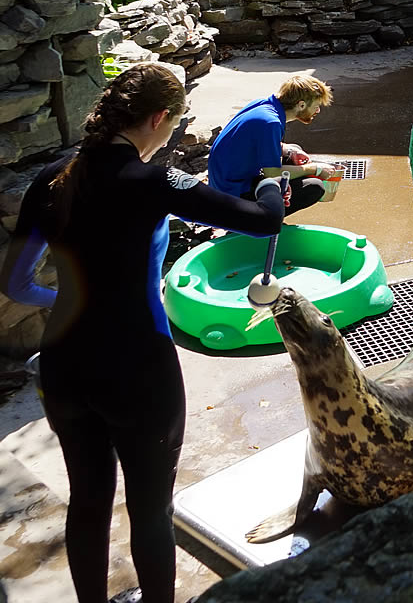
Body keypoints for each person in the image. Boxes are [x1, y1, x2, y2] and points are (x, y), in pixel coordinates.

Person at [0, 63, 285, 603]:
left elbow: (15, 283)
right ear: (159, 118)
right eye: (173, 127)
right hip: (139, 370)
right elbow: (262, 219)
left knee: (87, 499)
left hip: (63, 362)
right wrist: (272, 179)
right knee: (152, 509)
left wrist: (72, 303)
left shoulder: (51, 179)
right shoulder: (155, 181)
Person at [207, 75, 336, 215]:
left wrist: (288, 150)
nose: (317, 111)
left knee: (293, 151)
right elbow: (272, 173)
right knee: (314, 187)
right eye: (316, 107)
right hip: (232, 197)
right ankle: (258, 222)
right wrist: (314, 169)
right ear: (301, 105)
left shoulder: (264, 104)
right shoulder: (271, 123)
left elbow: (255, 143)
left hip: (224, 184)